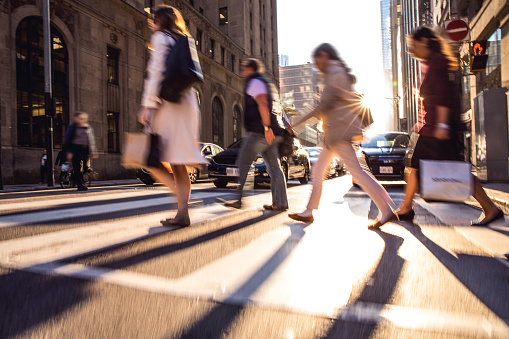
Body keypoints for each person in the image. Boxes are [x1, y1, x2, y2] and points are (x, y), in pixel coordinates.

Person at [397, 26, 504, 226]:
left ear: (424, 42)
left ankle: (406, 208)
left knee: (418, 166)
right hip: (433, 126)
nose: (411, 50)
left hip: (438, 127)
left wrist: (442, 125)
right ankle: (407, 208)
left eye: (413, 45)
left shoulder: (436, 61)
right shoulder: (429, 62)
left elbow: (443, 95)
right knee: (422, 166)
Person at [288, 43, 396, 228]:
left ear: (324, 55)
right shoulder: (335, 71)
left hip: (339, 133)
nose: (317, 66)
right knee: (319, 171)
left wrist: (295, 123)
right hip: (333, 133)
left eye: (317, 61)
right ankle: (309, 211)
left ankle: (386, 209)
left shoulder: (334, 72)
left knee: (357, 173)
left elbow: (322, 106)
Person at [137, 5, 205, 227]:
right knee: (176, 162)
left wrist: (147, 105)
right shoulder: (182, 38)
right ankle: (182, 211)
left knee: (155, 160)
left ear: (160, 20)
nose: (151, 24)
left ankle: (182, 206)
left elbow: (156, 72)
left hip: (169, 106)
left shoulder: (160, 38)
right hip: (187, 103)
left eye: (152, 19)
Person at [223, 58, 288, 210]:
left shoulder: (255, 81)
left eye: (244, 68)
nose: (242, 72)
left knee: (244, 162)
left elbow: (263, 103)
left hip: (260, 131)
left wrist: (266, 127)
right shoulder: (264, 82)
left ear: (251, 69)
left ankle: (239, 200)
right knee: (274, 168)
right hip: (271, 131)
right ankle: (280, 202)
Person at [64, 112, 97, 191]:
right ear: (76, 119)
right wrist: (68, 151)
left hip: (86, 149)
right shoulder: (72, 127)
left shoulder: (87, 127)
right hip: (75, 148)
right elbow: (67, 139)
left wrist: (93, 150)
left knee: (86, 167)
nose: (82, 120)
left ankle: (80, 177)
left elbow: (91, 139)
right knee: (77, 167)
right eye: (80, 118)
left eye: (83, 119)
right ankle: (80, 185)